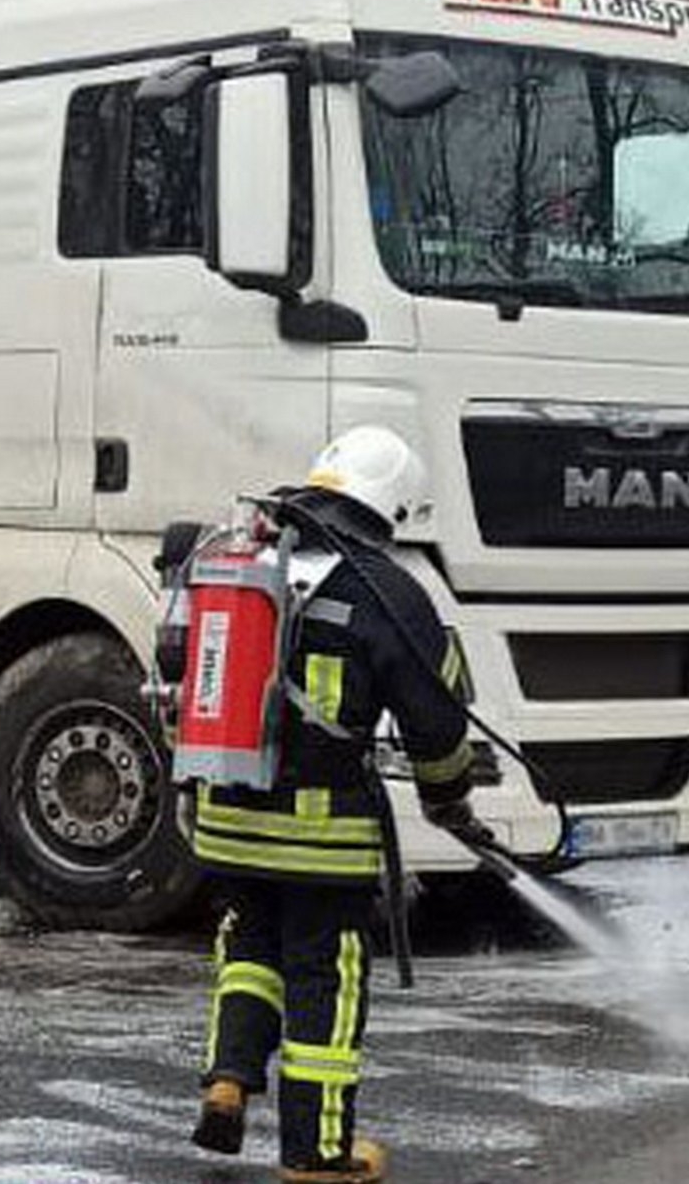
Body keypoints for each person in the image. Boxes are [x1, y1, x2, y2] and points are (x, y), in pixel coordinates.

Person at [173, 426, 492, 1184]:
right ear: (394, 509)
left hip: (227, 814)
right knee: (326, 975)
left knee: (250, 948)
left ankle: (228, 1080)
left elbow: (179, 664)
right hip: (320, 836)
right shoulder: (387, 590)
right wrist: (451, 801)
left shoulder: (243, 559)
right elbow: (439, 722)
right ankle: (316, 1151)